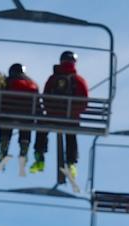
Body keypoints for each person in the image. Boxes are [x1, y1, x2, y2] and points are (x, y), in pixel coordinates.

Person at [32, 51, 89, 180]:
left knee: (42, 129)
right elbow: (84, 100)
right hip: (70, 119)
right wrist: (74, 113)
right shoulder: (78, 80)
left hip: (53, 116)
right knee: (71, 135)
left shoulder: (53, 79)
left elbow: (45, 96)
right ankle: (71, 163)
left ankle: (39, 156)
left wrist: (52, 110)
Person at [0, 63, 39, 174]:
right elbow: (37, 104)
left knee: (5, 119)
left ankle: (4, 146)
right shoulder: (32, 84)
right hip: (26, 117)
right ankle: (24, 147)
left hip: (8, 115)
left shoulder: (7, 82)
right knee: (26, 123)